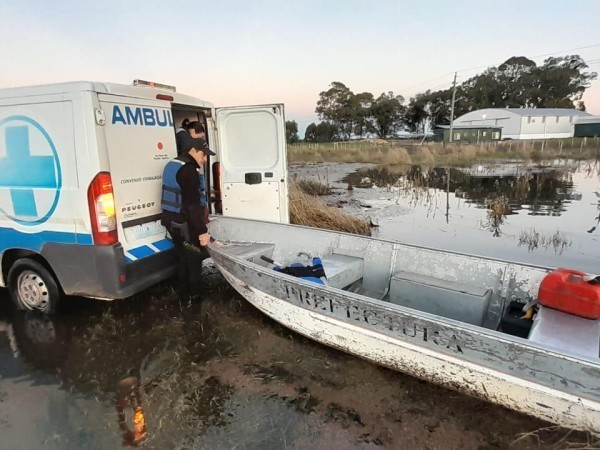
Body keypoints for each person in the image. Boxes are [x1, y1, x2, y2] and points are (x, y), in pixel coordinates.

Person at [161, 134, 215, 301]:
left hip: (171, 221)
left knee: (183, 257)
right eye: (203, 154)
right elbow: (192, 206)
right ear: (193, 150)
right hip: (184, 224)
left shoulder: (173, 164)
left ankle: (184, 295)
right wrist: (202, 231)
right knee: (194, 258)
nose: (205, 159)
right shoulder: (189, 170)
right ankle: (195, 296)